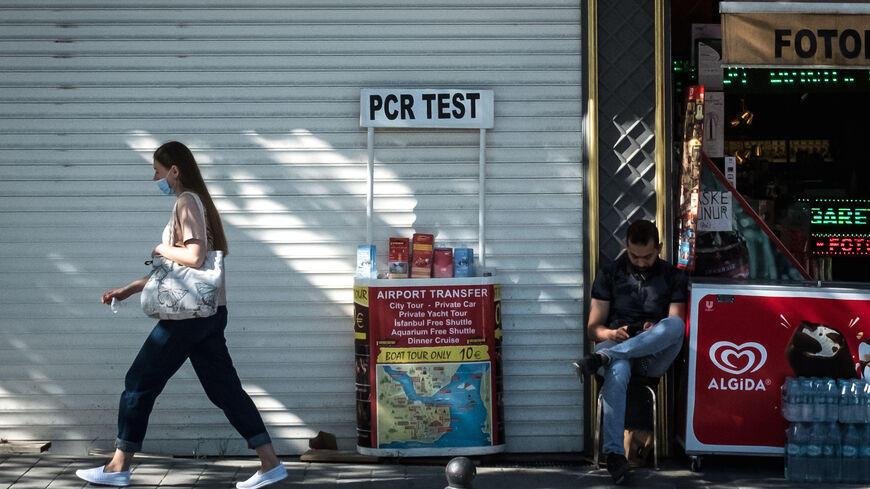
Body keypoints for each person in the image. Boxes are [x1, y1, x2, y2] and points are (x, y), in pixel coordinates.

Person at [76, 141, 287, 489]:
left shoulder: (187, 201)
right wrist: (129, 289)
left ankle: (118, 467)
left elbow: (193, 258)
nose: (155, 177)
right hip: (209, 314)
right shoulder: (198, 202)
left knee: (138, 383)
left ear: (175, 170)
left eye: (158, 171)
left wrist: (159, 247)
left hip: (188, 320)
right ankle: (270, 462)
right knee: (225, 391)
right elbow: (179, 274)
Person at [575, 219, 688, 485]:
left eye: (647, 256)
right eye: (634, 255)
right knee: (620, 366)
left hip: (651, 354)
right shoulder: (609, 272)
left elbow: (675, 323)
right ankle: (615, 455)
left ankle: (602, 358)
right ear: (625, 247)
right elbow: (593, 329)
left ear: (659, 247)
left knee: (674, 325)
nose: (640, 262)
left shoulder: (674, 276)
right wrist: (611, 336)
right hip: (616, 342)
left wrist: (654, 329)